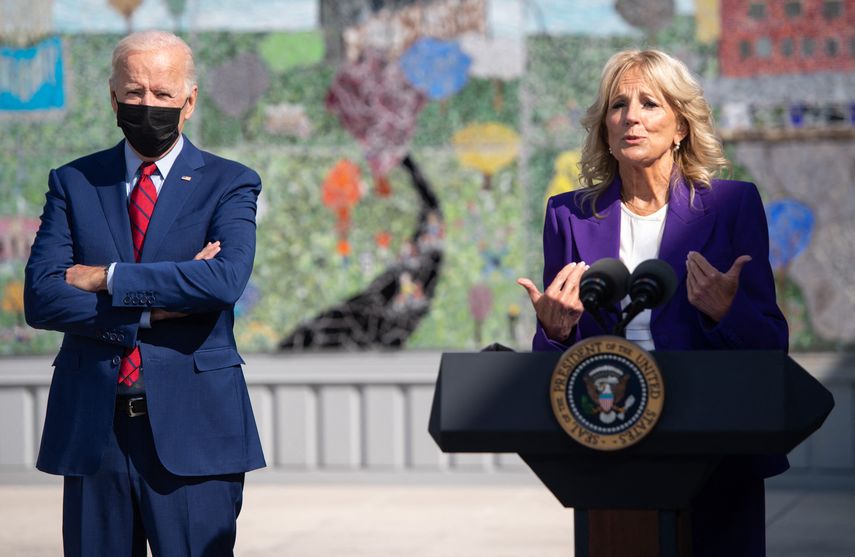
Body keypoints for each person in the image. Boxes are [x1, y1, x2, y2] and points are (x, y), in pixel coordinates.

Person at [517, 49, 788, 555]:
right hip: (611, 435)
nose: (632, 117)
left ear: (681, 125)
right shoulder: (568, 217)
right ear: (604, 127)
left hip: (713, 443)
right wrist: (554, 332)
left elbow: (771, 344)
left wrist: (725, 310)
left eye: (650, 104)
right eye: (618, 105)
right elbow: (559, 359)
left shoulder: (732, 206)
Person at [24, 30, 265, 556]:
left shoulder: (229, 183)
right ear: (113, 98)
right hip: (95, 432)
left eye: (162, 92)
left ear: (189, 100)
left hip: (195, 431)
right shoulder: (74, 182)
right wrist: (156, 309)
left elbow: (222, 280)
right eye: (134, 93)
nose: (147, 105)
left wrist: (107, 277)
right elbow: (42, 297)